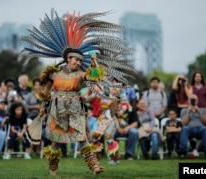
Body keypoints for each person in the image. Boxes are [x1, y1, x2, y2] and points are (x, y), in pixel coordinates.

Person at [22, 8, 136, 176]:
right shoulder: (54, 74)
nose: (78, 62)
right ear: (68, 59)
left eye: (80, 60)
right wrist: (45, 98)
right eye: (76, 59)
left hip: (75, 110)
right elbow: (45, 93)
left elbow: (94, 77)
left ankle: (95, 167)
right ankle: (53, 169)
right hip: (57, 110)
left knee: (83, 139)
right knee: (55, 142)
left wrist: (95, 62)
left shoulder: (81, 75)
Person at [178, 94, 206, 159]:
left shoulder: (203, 110)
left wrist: (199, 112)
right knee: (184, 129)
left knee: (205, 129)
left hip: (201, 129)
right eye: (191, 100)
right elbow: (183, 123)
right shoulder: (184, 110)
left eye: (194, 100)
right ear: (188, 101)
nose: (193, 101)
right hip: (189, 129)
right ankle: (183, 152)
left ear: (197, 101)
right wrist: (188, 112)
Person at [114, 91, 139, 160]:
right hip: (116, 129)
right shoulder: (113, 110)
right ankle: (114, 153)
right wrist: (118, 128)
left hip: (128, 130)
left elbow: (135, 123)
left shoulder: (132, 109)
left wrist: (127, 128)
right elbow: (110, 121)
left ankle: (129, 154)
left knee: (134, 132)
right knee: (110, 131)